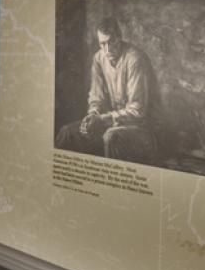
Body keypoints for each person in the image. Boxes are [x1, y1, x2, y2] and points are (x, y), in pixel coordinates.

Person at [56, 16, 161, 163]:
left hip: (141, 130)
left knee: (112, 137)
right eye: (102, 44)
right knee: (67, 132)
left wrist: (103, 120)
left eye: (112, 42)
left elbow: (137, 111)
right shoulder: (98, 59)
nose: (107, 49)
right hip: (110, 124)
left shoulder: (135, 59)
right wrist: (92, 115)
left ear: (119, 38)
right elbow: (96, 98)